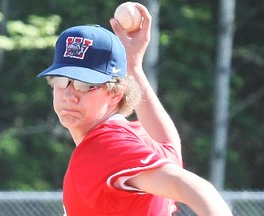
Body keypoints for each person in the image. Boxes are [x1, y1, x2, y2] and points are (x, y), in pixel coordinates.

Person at [38, 3, 233, 216]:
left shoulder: (103, 147)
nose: (69, 94)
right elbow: (169, 147)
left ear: (115, 93)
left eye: (85, 85)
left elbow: (199, 189)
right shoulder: (140, 137)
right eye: (61, 80)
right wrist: (133, 67)